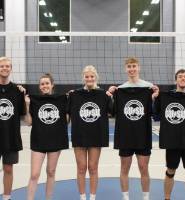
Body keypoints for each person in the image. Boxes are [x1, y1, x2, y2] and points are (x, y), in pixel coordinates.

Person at [107, 57, 159, 200]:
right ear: (126, 69)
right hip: (126, 136)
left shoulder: (148, 87)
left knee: (144, 168)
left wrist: (154, 96)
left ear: (138, 67)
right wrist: (110, 95)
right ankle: (125, 197)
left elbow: (154, 112)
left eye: (134, 66)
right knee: (124, 169)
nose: (132, 69)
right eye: (129, 66)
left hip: (143, 134)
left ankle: (146, 197)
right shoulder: (121, 89)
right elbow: (111, 111)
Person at [67, 65, 113, 200]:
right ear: (83, 78)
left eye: (92, 76)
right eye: (87, 76)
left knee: (93, 168)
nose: (89, 78)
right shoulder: (75, 95)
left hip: (96, 135)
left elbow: (112, 112)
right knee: (81, 168)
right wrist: (69, 96)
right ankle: (82, 197)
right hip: (79, 135)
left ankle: (92, 197)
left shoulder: (103, 95)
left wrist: (110, 97)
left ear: (96, 77)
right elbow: (67, 115)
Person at [154, 69, 185, 200]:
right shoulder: (167, 96)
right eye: (180, 76)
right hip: (172, 140)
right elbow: (156, 116)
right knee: (170, 171)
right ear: (176, 80)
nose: (183, 79)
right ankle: (167, 198)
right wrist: (156, 99)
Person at [25, 73, 69, 200]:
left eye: (47, 83)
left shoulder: (61, 99)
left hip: (55, 140)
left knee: (51, 172)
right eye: (42, 84)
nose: (45, 86)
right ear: (40, 86)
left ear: (52, 85)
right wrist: (27, 105)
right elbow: (29, 122)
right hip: (38, 140)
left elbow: (66, 120)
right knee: (34, 174)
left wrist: (69, 100)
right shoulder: (34, 100)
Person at [0, 56, 26, 200]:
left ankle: (7, 197)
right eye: (2, 66)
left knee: (8, 168)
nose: (4, 68)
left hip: (11, 136)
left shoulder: (17, 90)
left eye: (7, 66)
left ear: (11, 69)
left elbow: (23, 115)